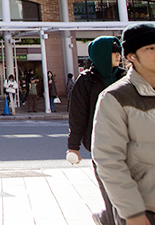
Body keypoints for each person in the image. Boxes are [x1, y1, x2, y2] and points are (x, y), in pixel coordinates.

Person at [93, 22, 155, 225]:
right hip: (146, 209)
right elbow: (109, 159)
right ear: (131, 56)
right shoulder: (115, 97)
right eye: (151, 48)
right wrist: (133, 212)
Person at [67, 35, 126, 225]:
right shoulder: (86, 81)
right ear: (101, 55)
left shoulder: (124, 77)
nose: (118, 56)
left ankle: (106, 218)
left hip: (128, 143)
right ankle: (108, 218)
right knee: (110, 191)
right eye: (114, 52)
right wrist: (73, 146)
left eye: (119, 52)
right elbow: (77, 115)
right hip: (100, 144)